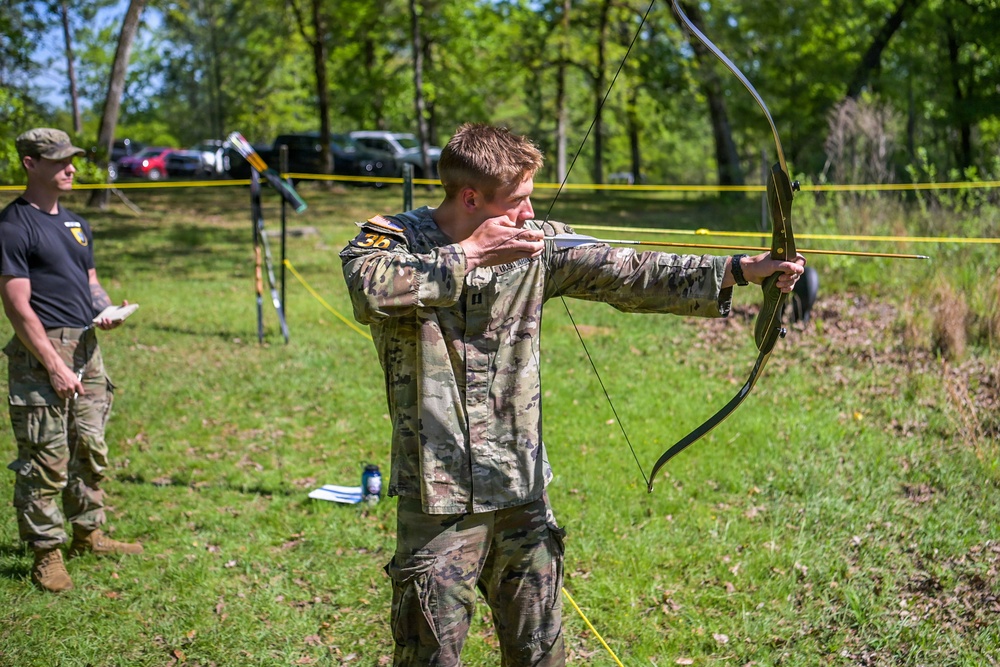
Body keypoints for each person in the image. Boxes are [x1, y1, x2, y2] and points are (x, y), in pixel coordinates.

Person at [340, 123, 805, 666]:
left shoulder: (534, 245)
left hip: (520, 485)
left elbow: (626, 270)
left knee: (540, 652)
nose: (529, 213)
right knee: (430, 654)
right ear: (470, 198)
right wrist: (468, 256)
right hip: (438, 495)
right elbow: (368, 289)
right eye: (516, 201)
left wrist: (740, 271)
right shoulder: (392, 241)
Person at [0, 128, 143, 594]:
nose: (71, 168)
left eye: (72, 159)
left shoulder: (76, 224)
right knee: (45, 456)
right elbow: (17, 306)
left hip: (86, 346)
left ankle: (88, 533)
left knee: (90, 446)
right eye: (59, 160)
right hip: (42, 352)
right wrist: (54, 365)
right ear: (30, 164)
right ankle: (47, 553)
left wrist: (106, 310)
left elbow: (90, 282)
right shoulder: (13, 225)